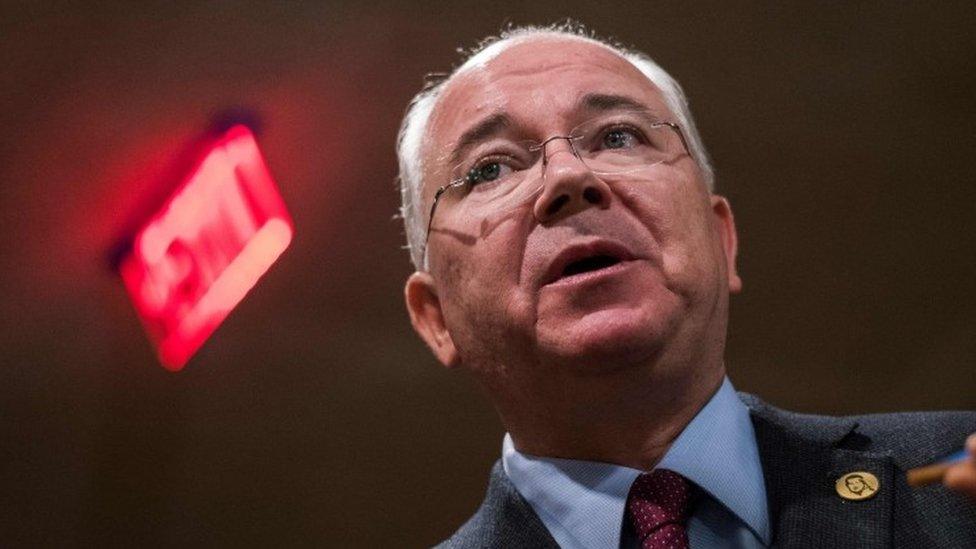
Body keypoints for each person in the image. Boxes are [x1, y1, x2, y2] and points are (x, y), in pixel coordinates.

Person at [395, 24, 976, 548]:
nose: (570, 176)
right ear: (436, 317)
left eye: (619, 137)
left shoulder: (958, 485)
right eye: (490, 168)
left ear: (722, 241)